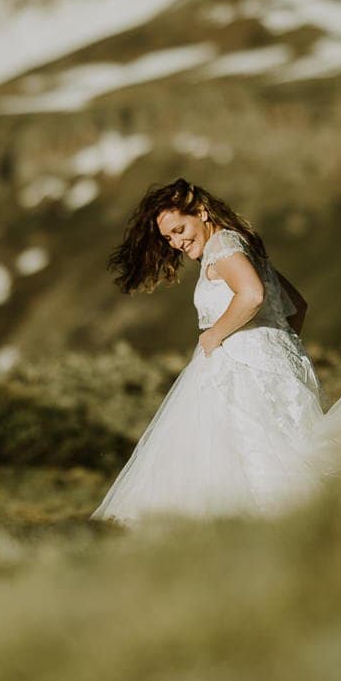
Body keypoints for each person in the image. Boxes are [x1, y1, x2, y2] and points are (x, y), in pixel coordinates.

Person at [90, 179, 323, 525]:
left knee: (248, 460)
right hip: (277, 367)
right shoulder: (244, 248)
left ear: (200, 212)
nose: (178, 242)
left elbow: (253, 295)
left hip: (241, 373)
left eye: (180, 229)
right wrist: (276, 348)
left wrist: (215, 335)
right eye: (169, 238)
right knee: (284, 458)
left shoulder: (223, 248)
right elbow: (297, 306)